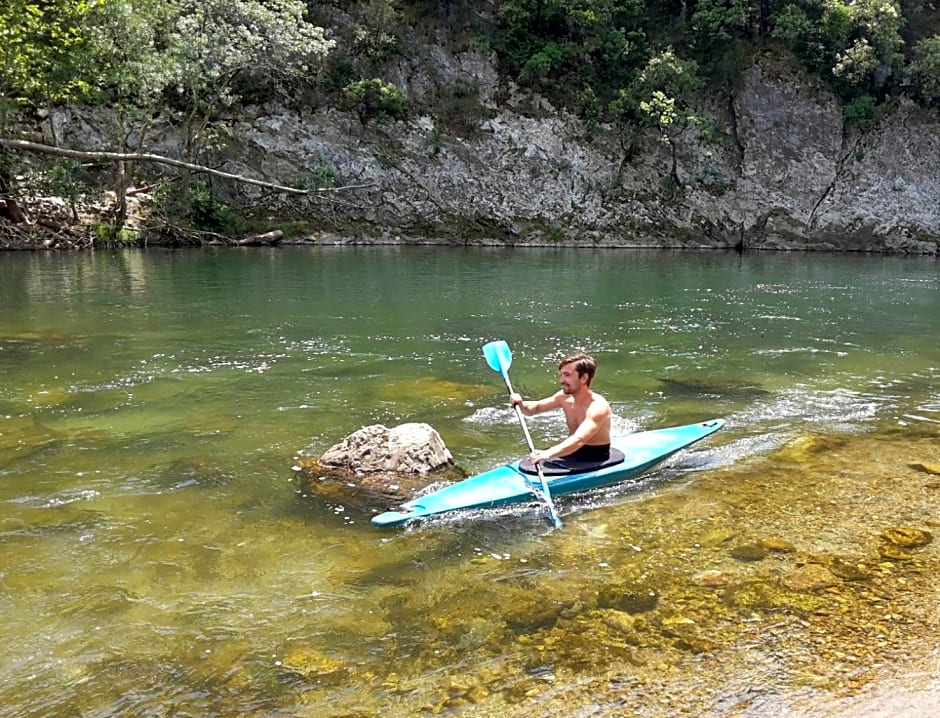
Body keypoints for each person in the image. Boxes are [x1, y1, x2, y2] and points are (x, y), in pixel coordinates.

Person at [509, 352, 612, 467]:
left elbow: (579, 439)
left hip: (593, 457)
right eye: (561, 375)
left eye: (567, 375)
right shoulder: (563, 397)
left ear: (584, 378)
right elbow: (535, 408)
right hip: (572, 451)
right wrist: (520, 403)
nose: (561, 380)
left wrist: (548, 453)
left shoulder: (597, 407)